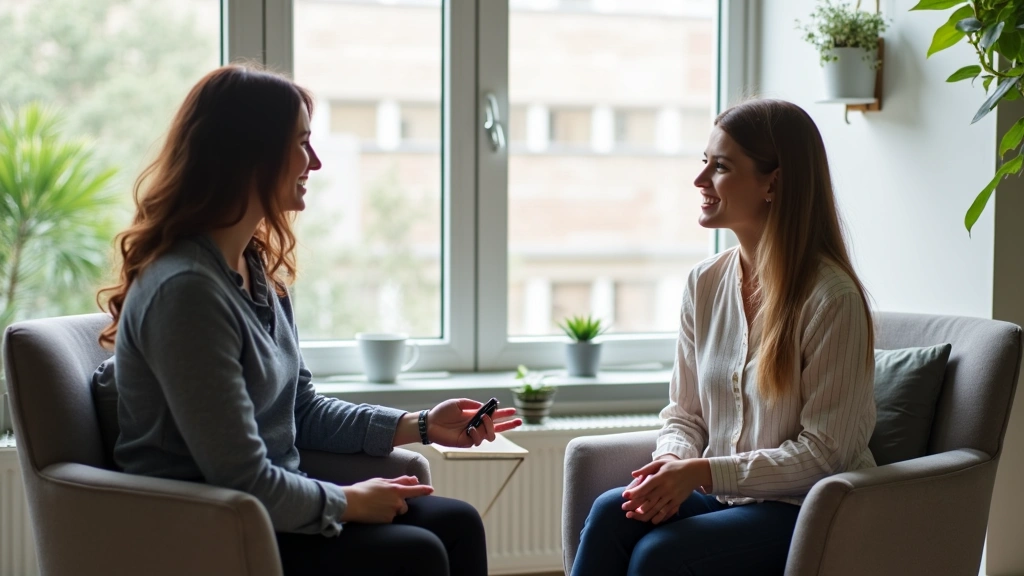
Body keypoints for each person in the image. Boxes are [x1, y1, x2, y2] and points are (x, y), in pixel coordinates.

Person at [95, 63, 521, 576]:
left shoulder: (256, 271)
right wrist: (348, 502)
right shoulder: (186, 292)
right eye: (301, 143)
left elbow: (299, 410)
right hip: (208, 527)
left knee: (457, 523)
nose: (314, 162)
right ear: (250, 155)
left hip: (275, 510)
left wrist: (422, 426)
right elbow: (240, 479)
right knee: (419, 553)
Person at [570, 99, 876, 576]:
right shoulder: (704, 284)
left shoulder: (831, 299)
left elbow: (825, 454)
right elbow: (684, 415)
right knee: (613, 512)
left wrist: (704, 473)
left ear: (771, 182)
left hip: (806, 511)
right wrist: (671, 463)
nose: (700, 181)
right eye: (704, 163)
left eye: (721, 167)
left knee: (660, 555)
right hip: (727, 500)